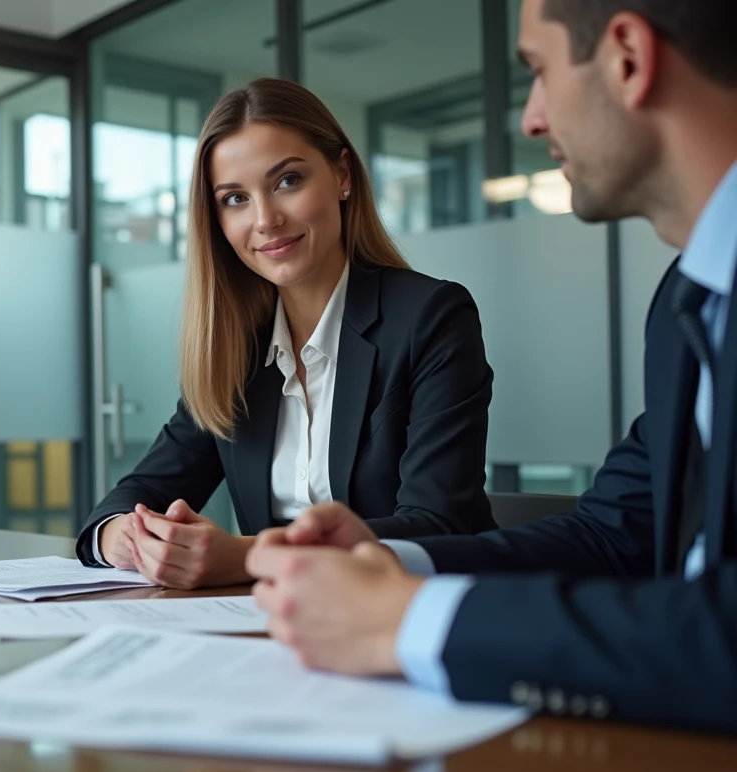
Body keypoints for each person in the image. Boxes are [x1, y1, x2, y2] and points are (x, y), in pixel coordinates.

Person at [247, 0, 737, 733]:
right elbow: (611, 534)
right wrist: (390, 562)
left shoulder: (430, 313)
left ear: (628, 58)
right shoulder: (689, 298)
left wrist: (407, 621)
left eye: (537, 72)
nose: (532, 119)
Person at [78, 78, 496, 589]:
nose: (266, 219)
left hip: (417, 622)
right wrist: (125, 534)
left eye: (287, 181)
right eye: (234, 198)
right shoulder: (238, 349)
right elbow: (138, 491)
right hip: (282, 631)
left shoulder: (430, 316)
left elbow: (436, 528)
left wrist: (245, 557)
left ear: (342, 174)